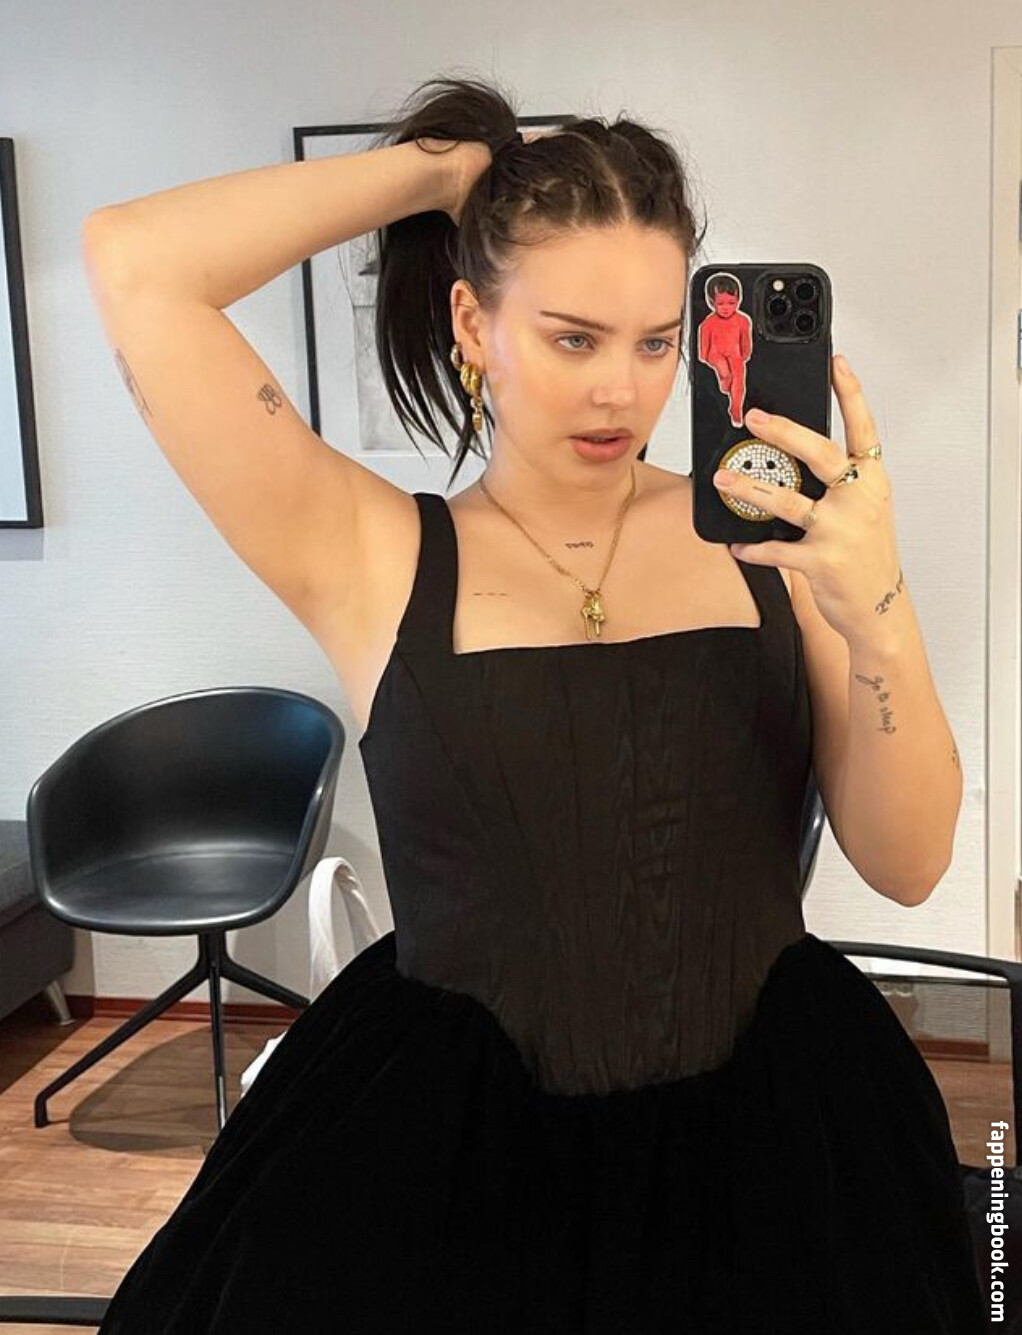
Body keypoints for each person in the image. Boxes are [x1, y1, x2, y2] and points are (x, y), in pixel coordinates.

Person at [83, 74, 985, 1333]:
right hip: (445, 1165)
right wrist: (444, 172)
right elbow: (136, 263)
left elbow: (908, 861)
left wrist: (873, 600)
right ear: (472, 320)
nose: (621, 389)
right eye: (572, 338)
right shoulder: (366, 552)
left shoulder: (776, 540)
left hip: (774, 1154)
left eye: (656, 341)